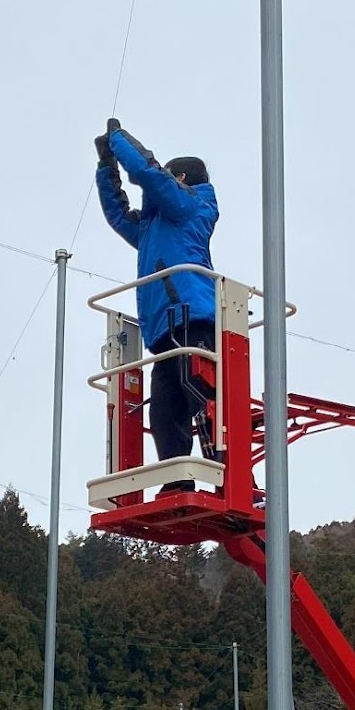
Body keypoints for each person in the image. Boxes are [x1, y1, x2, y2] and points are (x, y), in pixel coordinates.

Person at [95, 118, 219, 492]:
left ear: (180, 178)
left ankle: (229, 475)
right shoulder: (155, 225)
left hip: (191, 317)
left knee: (202, 395)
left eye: (169, 177)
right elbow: (119, 215)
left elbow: (149, 173)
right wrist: (106, 167)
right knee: (164, 409)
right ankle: (177, 480)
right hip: (163, 328)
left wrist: (118, 140)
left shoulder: (191, 206)